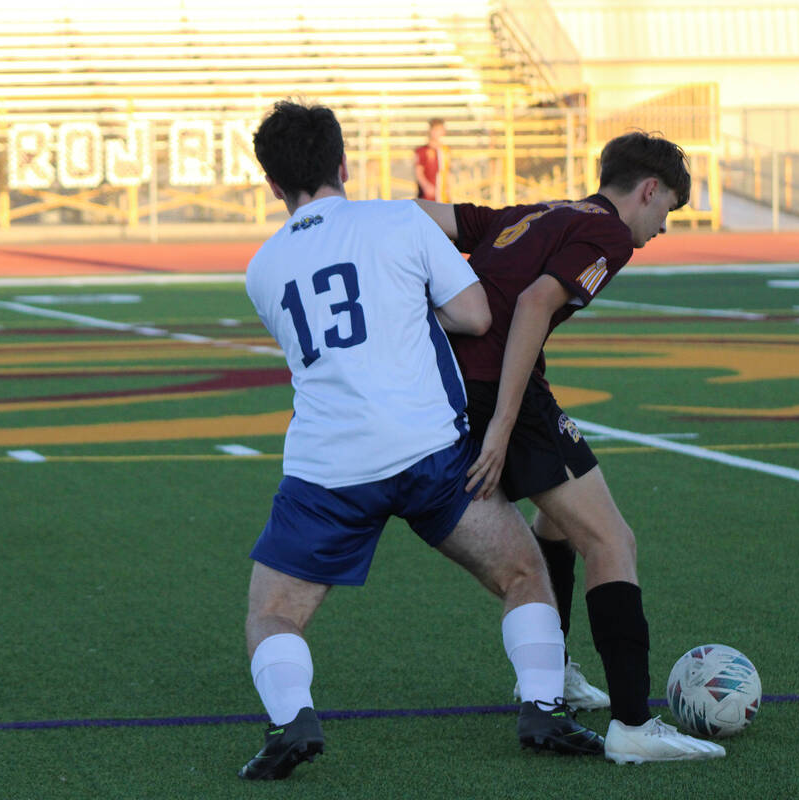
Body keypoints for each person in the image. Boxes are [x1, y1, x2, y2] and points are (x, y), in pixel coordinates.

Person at [238, 100, 605, 781]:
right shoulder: (399, 218)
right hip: (428, 452)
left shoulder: (262, 268)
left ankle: (293, 719)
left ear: (272, 183)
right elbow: (473, 314)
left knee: (273, 614)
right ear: (342, 163)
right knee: (524, 574)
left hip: (327, 469)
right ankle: (541, 708)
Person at [415, 131, 726, 764]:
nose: (663, 227)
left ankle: (551, 679)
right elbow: (533, 303)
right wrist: (502, 425)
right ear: (649, 189)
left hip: (451, 379)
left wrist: (338, 219)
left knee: (554, 525)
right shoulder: (611, 235)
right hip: (501, 389)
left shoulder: (544, 210)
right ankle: (635, 726)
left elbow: (423, 213)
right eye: (668, 209)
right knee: (612, 542)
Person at [413, 118, 449, 202]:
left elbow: (447, 171)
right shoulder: (422, 150)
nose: (437, 133)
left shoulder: (445, 150)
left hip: (442, 195)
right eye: (435, 130)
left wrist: (448, 188)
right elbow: (418, 172)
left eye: (440, 130)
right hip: (427, 197)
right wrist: (426, 186)